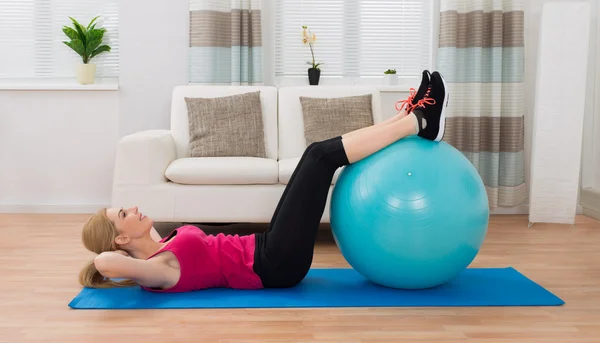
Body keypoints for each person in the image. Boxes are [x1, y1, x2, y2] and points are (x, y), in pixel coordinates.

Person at [79, 70, 448, 292]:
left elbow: (118, 255)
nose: (134, 208)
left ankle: (414, 119)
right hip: (274, 265)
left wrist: (124, 240)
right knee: (320, 156)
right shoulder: (156, 272)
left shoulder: (158, 247)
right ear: (121, 238)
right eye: (123, 214)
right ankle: (418, 124)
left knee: (314, 154)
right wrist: (105, 253)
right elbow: (108, 264)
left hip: (266, 247)